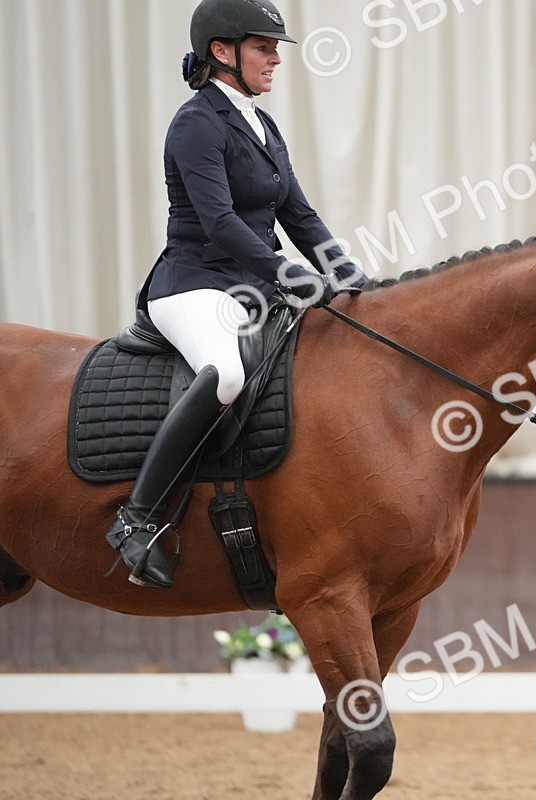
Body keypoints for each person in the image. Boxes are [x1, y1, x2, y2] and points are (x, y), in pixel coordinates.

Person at [106, 0, 363, 589]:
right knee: (223, 374)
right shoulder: (196, 122)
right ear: (222, 52)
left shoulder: (262, 124)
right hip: (194, 282)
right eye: (262, 46)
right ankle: (137, 518)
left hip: (249, 282)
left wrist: (349, 276)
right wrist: (286, 273)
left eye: (275, 48)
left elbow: (299, 213)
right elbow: (220, 222)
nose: (275, 58)